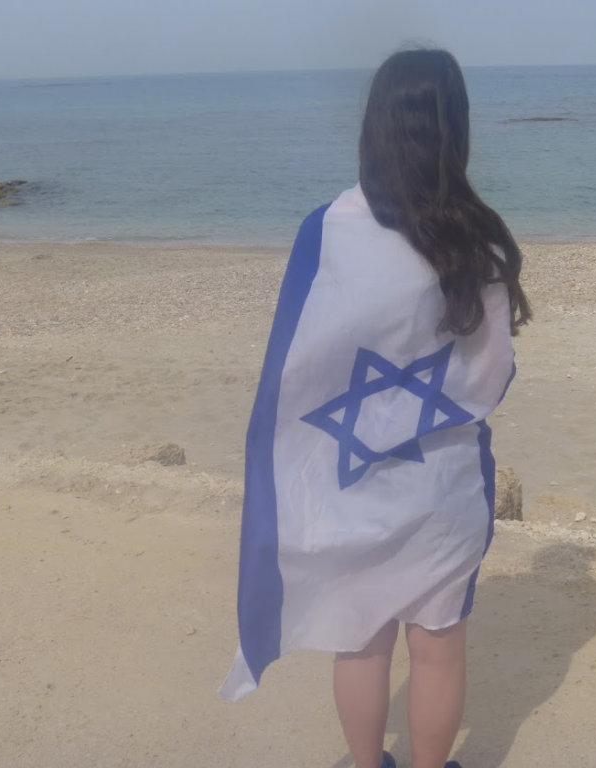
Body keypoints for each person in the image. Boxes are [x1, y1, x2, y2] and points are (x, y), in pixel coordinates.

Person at [221, 48, 530, 768]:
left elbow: (295, 372)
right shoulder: (476, 238)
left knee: (357, 636)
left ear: (375, 125)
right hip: (440, 483)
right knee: (438, 647)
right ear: (455, 128)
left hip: (347, 478)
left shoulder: (324, 231)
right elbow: (491, 378)